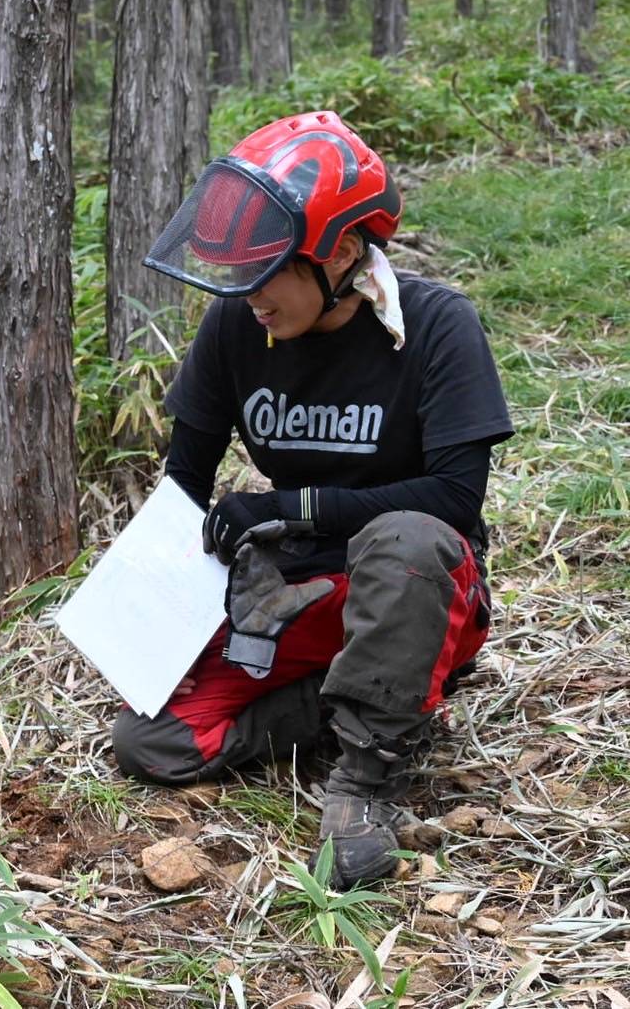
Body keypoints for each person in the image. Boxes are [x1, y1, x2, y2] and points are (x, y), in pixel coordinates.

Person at [116, 111, 513, 888]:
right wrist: (145, 623)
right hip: (293, 596)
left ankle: (365, 782)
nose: (248, 294)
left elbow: (456, 498)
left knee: (410, 539)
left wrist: (291, 508)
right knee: (153, 742)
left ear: (338, 253)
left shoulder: (436, 326)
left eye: (266, 271)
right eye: (240, 273)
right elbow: (183, 485)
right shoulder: (237, 327)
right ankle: (367, 701)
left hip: (421, 590)